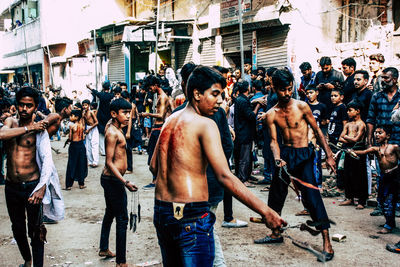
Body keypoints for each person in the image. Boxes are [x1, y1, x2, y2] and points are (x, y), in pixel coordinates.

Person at [150, 66, 285, 267]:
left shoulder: (170, 120)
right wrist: (266, 211)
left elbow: (154, 166)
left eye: (221, 94)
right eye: (215, 94)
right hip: (191, 214)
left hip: (162, 212)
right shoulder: (205, 124)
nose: (220, 101)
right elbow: (225, 176)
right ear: (196, 93)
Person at [259, 68, 335, 262]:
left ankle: (327, 241)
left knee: (312, 197)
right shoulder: (271, 114)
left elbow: (317, 131)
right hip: (285, 156)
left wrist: (329, 155)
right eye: (282, 89)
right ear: (273, 88)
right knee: (276, 193)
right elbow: (273, 141)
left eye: (289, 88)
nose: (286, 93)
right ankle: (276, 232)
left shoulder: (302, 106)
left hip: (304, 154)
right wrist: (277, 158)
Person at [0, 87, 48, 267]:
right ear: (16, 105)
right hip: (12, 186)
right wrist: (30, 127)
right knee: (17, 228)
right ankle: (27, 260)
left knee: (36, 230)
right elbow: (2, 134)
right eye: (21, 105)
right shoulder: (11, 122)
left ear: (35, 107)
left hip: (32, 186)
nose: (25, 109)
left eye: (29, 105)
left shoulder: (41, 124)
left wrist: (42, 187)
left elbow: (56, 118)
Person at [99, 98, 138, 267]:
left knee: (110, 213)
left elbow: (109, 119)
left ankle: (103, 248)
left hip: (112, 180)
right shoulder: (112, 133)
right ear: (114, 114)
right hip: (112, 180)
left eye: (129, 112)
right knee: (122, 219)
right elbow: (109, 162)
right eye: (124, 113)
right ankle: (121, 262)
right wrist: (125, 182)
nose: (128, 116)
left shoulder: (115, 127)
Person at [352, 125, 399, 234]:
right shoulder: (376, 149)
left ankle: (388, 225)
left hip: (394, 177)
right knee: (381, 200)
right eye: (376, 133)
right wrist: (351, 151)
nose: (376, 135)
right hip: (383, 177)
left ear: (387, 136)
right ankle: (390, 222)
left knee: (389, 201)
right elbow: (363, 152)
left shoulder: (394, 147)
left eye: (380, 133)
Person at [366, 67, 400, 216]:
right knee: (383, 174)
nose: (383, 80)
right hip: (382, 143)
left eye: (386, 78)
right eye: (382, 77)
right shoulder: (377, 97)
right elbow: (371, 119)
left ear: (395, 79)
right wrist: (369, 139)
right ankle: (381, 205)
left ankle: (396, 206)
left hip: (398, 141)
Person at [141, 75, 170, 189]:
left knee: (154, 156)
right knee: (152, 154)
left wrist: (147, 114)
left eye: (150, 87)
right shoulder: (159, 96)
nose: (149, 90)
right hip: (156, 128)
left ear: (155, 86)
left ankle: (155, 180)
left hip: (158, 128)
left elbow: (161, 115)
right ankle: (157, 179)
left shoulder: (162, 97)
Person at [338, 101, 368, 209]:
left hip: (358, 151)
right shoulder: (348, 124)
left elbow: (357, 139)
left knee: (360, 175)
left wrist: (347, 137)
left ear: (357, 111)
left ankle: (361, 201)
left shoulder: (362, 125)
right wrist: (349, 139)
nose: (348, 112)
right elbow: (340, 138)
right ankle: (349, 198)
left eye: (350, 110)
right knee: (347, 174)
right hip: (348, 150)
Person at [233, 81, 261, 187]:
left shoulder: (240, 99)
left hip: (241, 132)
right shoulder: (243, 101)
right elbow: (250, 115)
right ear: (248, 88)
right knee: (244, 158)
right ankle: (243, 179)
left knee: (245, 156)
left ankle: (246, 176)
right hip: (245, 133)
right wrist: (257, 106)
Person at [87, 81, 114, 156]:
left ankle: (103, 151)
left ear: (103, 87)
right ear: (109, 88)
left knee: (101, 134)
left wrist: (89, 87)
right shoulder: (111, 95)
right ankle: (109, 149)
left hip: (101, 116)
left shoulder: (101, 95)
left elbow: (94, 91)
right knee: (108, 133)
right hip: (109, 116)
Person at [65, 109, 88, 190]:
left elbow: (70, 138)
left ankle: (68, 185)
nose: (70, 117)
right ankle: (81, 184)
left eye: (72, 115)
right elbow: (83, 136)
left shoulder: (72, 126)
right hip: (81, 145)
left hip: (74, 145)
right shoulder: (82, 125)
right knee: (81, 164)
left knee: (71, 164)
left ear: (76, 117)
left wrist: (67, 140)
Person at [82, 99, 99, 168]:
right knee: (88, 146)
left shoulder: (91, 112)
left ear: (88, 106)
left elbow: (96, 122)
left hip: (93, 129)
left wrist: (89, 129)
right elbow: (84, 123)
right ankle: (90, 161)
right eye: (83, 105)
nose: (84, 106)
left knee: (94, 144)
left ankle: (95, 161)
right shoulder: (83, 113)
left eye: (85, 105)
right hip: (88, 129)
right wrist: (84, 130)